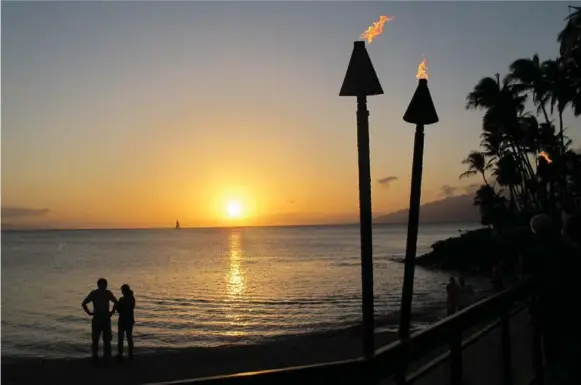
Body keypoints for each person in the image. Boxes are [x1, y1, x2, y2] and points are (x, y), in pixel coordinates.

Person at [82, 278, 118, 360]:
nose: (105, 286)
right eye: (105, 284)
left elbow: (84, 303)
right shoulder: (106, 293)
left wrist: (89, 312)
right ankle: (104, 357)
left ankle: (97, 357)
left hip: (100, 319)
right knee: (104, 340)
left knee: (97, 339)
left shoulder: (96, 293)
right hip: (103, 319)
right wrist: (112, 312)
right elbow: (116, 302)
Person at [117, 284, 136, 360]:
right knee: (129, 337)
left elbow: (119, 310)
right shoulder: (132, 298)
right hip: (129, 320)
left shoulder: (122, 299)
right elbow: (130, 308)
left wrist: (118, 306)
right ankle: (130, 353)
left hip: (123, 320)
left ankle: (121, 353)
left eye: (122, 290)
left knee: (121, 338)